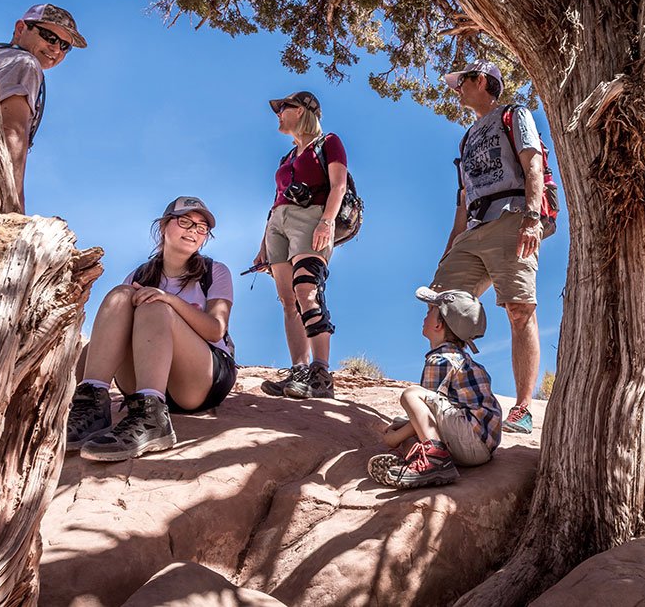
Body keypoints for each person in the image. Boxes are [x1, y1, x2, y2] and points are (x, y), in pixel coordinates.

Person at [67, 197, 236, 461]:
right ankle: (92, 409)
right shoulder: (140, 275)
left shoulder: (215, 271)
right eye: (185, 222)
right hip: (142, 376)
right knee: (121, 294)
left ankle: (152, 420)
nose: (193, 230)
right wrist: (84, 384)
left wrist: (169, 299)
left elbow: (216, 329)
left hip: (198, 380)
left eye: (202, 228)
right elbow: (110, 337)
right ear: (163, 227)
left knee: (155, 306)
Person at [431, 60, 544, 434]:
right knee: (442, 306)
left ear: (481, 80)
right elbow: (463, 202)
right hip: (474, 227)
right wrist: (450, 249)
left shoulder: (514, 114)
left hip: (511, 217)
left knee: (518, 308)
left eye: (460, 81)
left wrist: (532, 217)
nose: (455, 89)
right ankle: (446, 394)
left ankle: (523, 408)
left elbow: (533, 165)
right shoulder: (465, 138)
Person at [255, 91, 347, 399]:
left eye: (284, 108)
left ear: (304, 111)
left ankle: (320, 373)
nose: (278, 113)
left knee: (306, 289)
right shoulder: (287, 157)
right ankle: (299, 370)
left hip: (311, 219)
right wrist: (263, 245)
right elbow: (275, 201)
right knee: (287, 299)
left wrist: (328, 221)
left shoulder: (329, 142)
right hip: (277, 225)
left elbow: (339, 185)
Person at [368, 287, 502, 489]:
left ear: (439, 324)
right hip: (480, 446)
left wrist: (394, 438)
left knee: (411, 395)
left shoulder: (440, 359)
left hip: (470, 439)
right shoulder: (459, 358)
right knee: (403, 422)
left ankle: (435, 460)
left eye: (430, 310)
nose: (425, 315)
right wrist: (400, 428)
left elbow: (428, 407)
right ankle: (415, 459)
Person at [0, 4, 87, 211]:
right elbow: (12, 134)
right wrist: (13, 208)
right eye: (50, 37)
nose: (56, 50)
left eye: (65, 46)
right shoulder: (24, 63)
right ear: (20, 28)